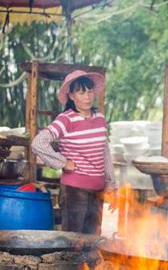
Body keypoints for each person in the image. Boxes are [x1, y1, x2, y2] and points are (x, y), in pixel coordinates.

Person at [32, 70, 117, 235]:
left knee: (93, 240)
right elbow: (38, 143)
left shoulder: (99, 118)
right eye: (81, 92)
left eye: (90, 91)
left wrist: (111, 183)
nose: (87, 96)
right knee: (73, 241)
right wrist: (63, 163)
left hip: (97, 190)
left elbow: (104, 152)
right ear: (71, 96)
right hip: (74, 190)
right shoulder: (66, 119)